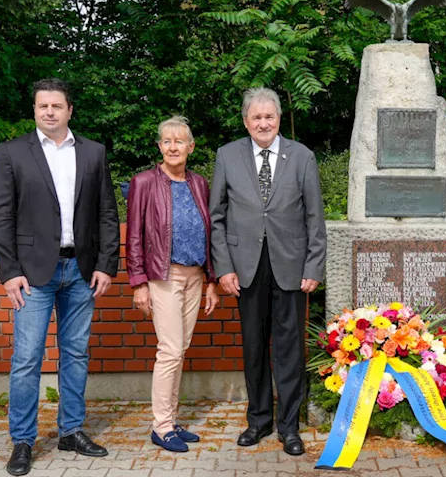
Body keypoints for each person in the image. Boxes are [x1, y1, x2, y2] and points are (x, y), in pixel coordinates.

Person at [0, 78, 120, 476]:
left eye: (56, 106)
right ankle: (24, 440)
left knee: (76, 354)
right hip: (33, 274)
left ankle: (71, 431)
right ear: (34, 111)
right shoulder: (13, 153)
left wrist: (106, 263)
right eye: (42, 106)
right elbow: (2, 217)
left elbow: (106, 214)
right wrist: (9, 272)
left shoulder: (93, 153)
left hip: (81, 271)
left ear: (69, 111)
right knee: (27, 359)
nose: (49, 112)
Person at [209, 87, 327, 456]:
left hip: (291, 267)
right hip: (245, 268)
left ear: (278, 119)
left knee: (290, 349)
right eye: (256, 117)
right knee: (254, 347)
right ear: (246, 121)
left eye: (269, 116)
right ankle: (258, 420)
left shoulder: (302, 156)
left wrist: (313, 265)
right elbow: (216, 218)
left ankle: (289, 427)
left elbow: (315, 218)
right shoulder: (227, 156)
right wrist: (223, 267)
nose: (263, 123)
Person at [126, 116, 220, 453]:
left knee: (179, 350)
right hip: (162, 276)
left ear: (191, 147)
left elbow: (208, 232)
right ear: (159, 147)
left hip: (195, 275)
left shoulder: (199, 184)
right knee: (169, 350)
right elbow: (134, 235)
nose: (173, 146)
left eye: (180, 141)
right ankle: (161, 426)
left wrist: (211, 280)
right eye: (167, 141)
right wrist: (138, 283)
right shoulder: (144, 182)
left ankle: (171, 419)